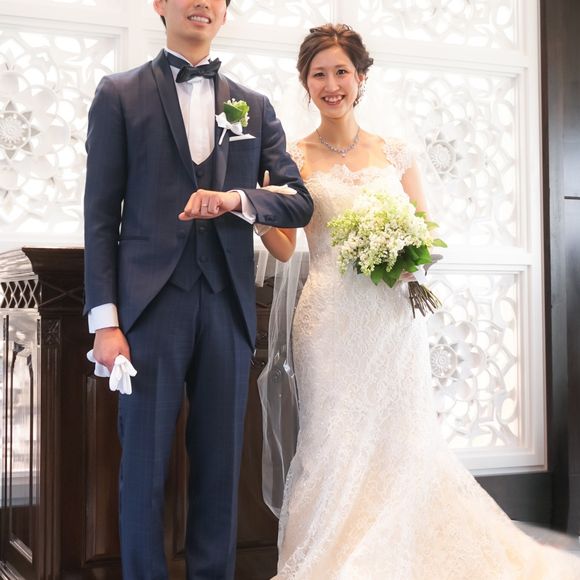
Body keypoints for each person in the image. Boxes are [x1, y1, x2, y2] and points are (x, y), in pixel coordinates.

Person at [259, 23, 580, 579]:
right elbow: (286, 249)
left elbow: (427, 235)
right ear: (305, 83)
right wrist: (259, 211)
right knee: (333, 437)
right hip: (328, 319)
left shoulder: (396, 152)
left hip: (391, 320)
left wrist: (407, 255)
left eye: (341, 72)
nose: (331, 85)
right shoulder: (292, 157)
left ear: (361, 77)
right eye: (319, 74)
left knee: (402, 437)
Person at [83, 0, 313, 577]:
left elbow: (299, 202)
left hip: (228, 308)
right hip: (148, 309)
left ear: (226, 12)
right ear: (160, 5)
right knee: (143, 467)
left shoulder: (254, 105)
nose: (201, 3)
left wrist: (237, 199)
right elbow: (99, 216)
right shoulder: (119, 94)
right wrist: (105, 322)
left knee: (220, 468)